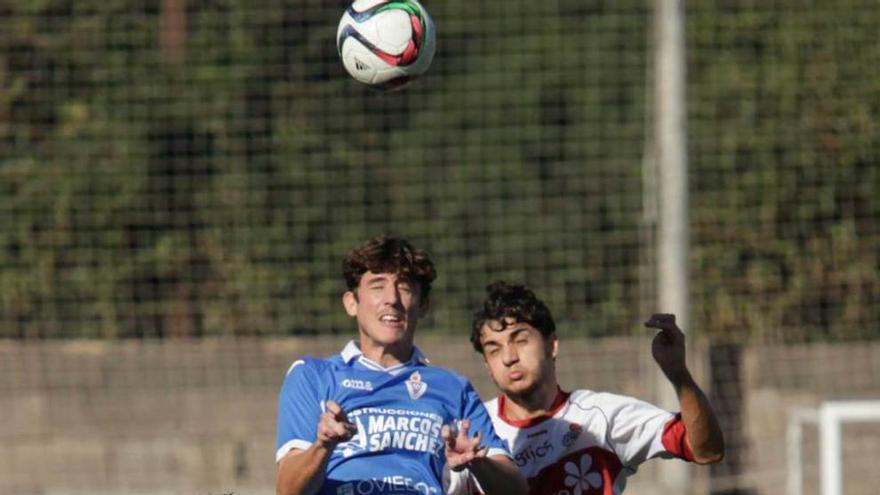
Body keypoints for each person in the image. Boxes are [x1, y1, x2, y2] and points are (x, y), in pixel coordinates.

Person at [275, 236, 528, 495]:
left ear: (423, 305)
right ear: (352, 303)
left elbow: (517, 491)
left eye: (405, 287)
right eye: (377, 286)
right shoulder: (313, 376)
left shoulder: (454, 388)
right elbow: (287, 490)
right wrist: (323, 446)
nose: (392, 299)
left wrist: (478, 462)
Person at [466, 281, 725, 494]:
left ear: (551, 345)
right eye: (494, 348)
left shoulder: (601, 416)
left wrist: (679, 376)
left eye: (520, 340)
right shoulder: (470, 436)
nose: (509, 356)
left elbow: (706, 449)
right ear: (487, 364)